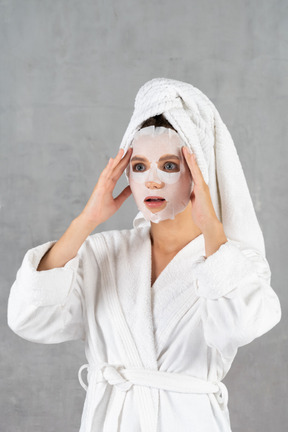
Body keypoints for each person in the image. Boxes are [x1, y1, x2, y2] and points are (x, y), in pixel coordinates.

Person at [7, 78, 281, 432]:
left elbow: (238, 326)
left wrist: (213, 228)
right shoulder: (101, 254)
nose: (152, 181)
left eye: (169, 166)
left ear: (198, 172)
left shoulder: (233, 263)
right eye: (139, 166)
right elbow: (28, 318)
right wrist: (85, 221)